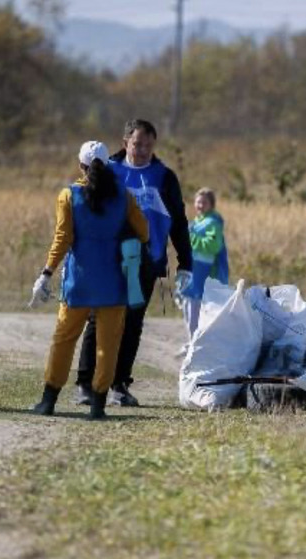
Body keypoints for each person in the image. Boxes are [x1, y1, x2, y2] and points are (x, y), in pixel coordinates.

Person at [74, 119, 193, 407]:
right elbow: (85, 207)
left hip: (146, 262)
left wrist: (185, 262)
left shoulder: (164, 177)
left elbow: (178, 221)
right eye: (137, 144)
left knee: (133, 323)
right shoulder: (109, 171)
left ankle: (119, 384)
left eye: (148, 145)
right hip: (108, 260)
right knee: (97, 318)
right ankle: (85, 384)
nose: (142, 150)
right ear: (125, 142)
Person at [30, 141, 149, 419]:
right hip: (113, 284)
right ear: (108, 165)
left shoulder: (68, 196)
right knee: (107, 346)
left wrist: (46, 273)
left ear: (81, 166)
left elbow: (63, 239)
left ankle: (48, 401)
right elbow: (143, 232)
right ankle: (97, 406)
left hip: (78, 283)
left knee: (64, 340)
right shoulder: (124, 196)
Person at [179, 188, 229, 340]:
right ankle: (191, 343)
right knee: (187, 309)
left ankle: (196, 346)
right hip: (191, 273)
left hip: (204, 274)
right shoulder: (196, 222)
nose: (200, 205)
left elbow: (213, 246)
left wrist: (191, 240)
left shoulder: (212, 223)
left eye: (204, 202)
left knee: (197, 312)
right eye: (198, 201)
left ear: (211, 205)